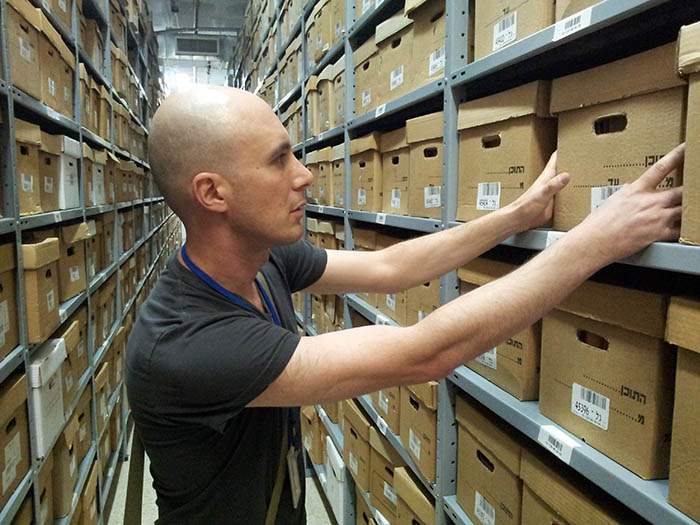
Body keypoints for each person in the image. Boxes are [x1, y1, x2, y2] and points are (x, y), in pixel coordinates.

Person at [125, 85, 683, 524]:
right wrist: (594, 242)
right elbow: (427, 353)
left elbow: (393, 270)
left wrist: (516, 217)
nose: (305, 174)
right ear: (213, 193)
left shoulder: (263, 259)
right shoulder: (185, 344)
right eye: (279, 160)